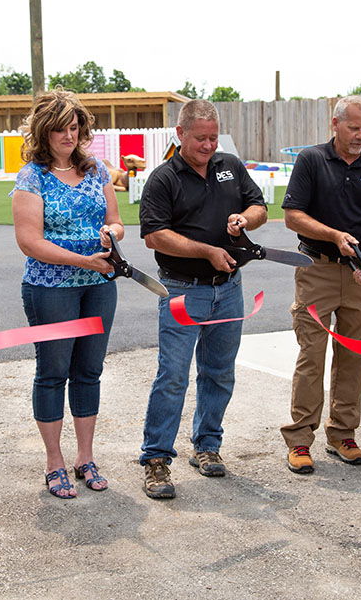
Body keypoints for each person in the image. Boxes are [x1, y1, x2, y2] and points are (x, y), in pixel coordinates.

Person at [138, 99, 267, 499]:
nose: (209, 145)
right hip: (182, 290)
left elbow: (260, 206)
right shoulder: (163, 179)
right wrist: (206, 251)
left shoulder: (230, 165)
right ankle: (156, 459)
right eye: (201, 139)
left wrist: (245, 219)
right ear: (180, 135)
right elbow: (154, 236)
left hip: (229, 289)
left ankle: (207, 445)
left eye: (213, 137)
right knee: (173, 376)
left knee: (219, 371)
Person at [279, 96, 361, 473]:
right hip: (317, 269)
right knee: (311, 356)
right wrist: (334, 235)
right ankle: (300, 439)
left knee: (355, 355)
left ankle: (343, 434)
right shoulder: (312, 160)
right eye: (354, 128)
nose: (360, 136)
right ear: (335, 124)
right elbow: (293, 216)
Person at [11, 89, 122, 499]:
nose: (68, 136)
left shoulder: (96, 171)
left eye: (74, 127)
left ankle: (85, 457)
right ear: (44, 132)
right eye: (59, 128)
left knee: (89, 371)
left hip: (98, 288)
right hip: (50, 289)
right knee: (53, 372)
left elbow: (116, 220)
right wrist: (84, 261)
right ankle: (54, 461)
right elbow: (29, 242)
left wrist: (113, 234)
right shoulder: (31, 178)